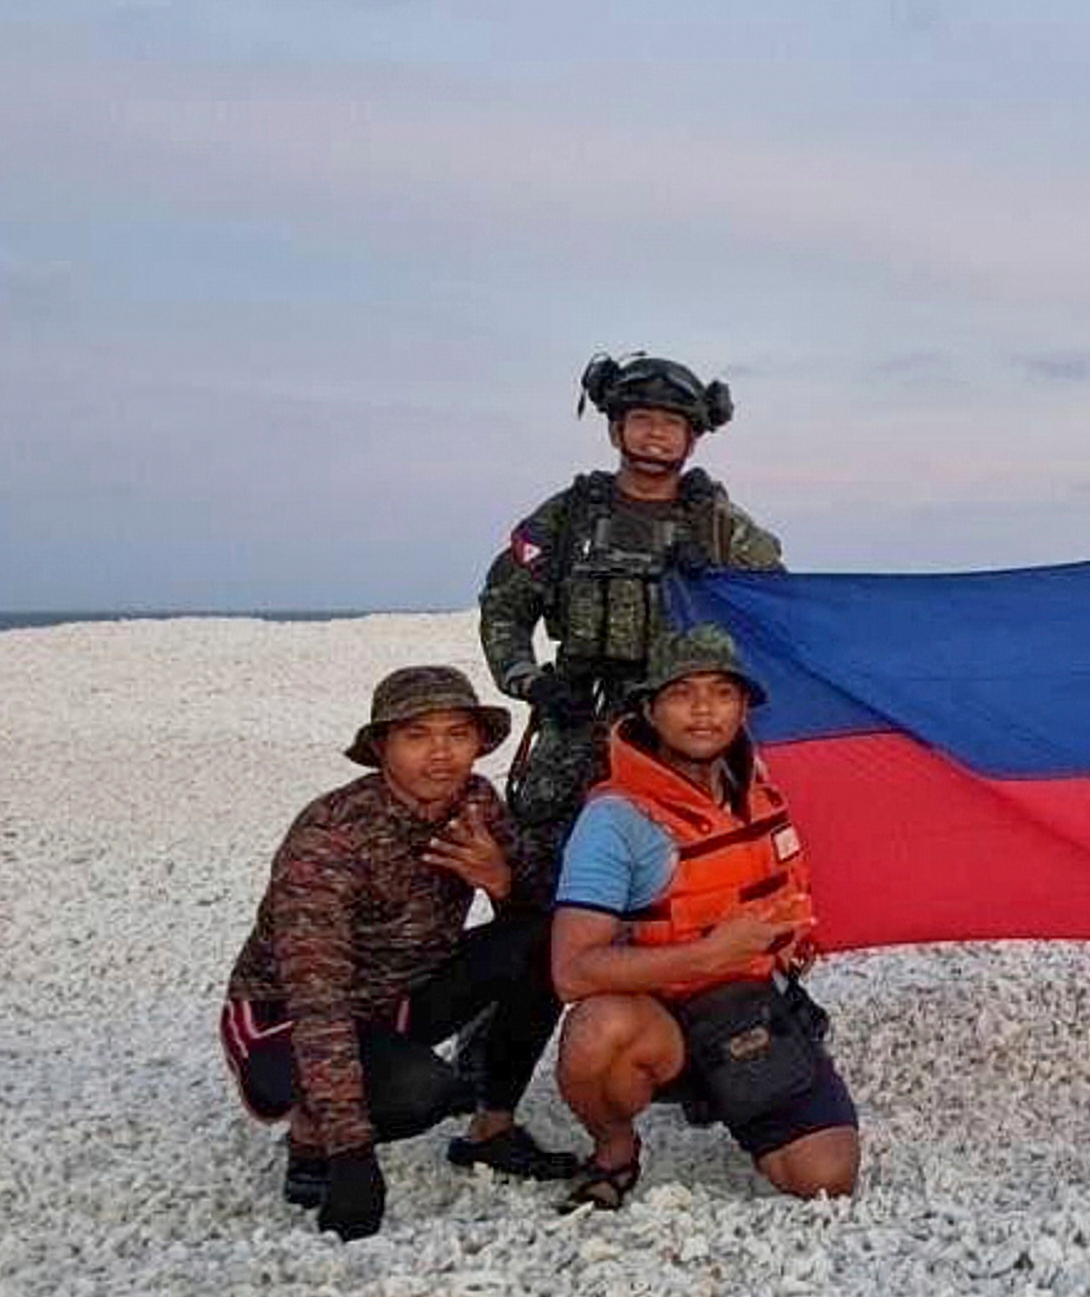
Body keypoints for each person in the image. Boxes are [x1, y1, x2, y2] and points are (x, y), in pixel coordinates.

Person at [220, 667, 581, 1241]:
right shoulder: (331, 837)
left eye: (457, 734)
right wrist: (351, 1157)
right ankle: (312, 1132)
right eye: (417, 736)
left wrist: (502, 881)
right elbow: (319, 999)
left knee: (549, 938)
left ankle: (493, 1128)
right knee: (422, 1092)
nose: (440, 754)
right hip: (283, 1018)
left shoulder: (476, 802)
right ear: (381, 746)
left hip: (404, 994)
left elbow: (539, 906)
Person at [546, 625, 860, 1210]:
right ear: (649, 709)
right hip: (662, 1020)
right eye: (681, 693)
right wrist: (709, 955)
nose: (702, 711)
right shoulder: (616, 820)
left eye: (720, 693)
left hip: (752, 1010)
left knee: (826, 1180)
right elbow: (571, 972)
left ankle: (743, 1094)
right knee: (596, 1031)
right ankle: (614, 1148)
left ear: (743, 707)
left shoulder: (759, 787)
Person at [479, 352, 786, 905]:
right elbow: (504, 606)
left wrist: (715, 573)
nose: (656, 435)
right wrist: (530, 682)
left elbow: (778, 606)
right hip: (578, 717)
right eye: (642, 419)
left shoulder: (718, 525)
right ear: (617, 428)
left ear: (692, 440)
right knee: (544, 863)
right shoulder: (569, 517)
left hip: (679, 729)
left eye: (672, 424)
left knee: (685, 859)